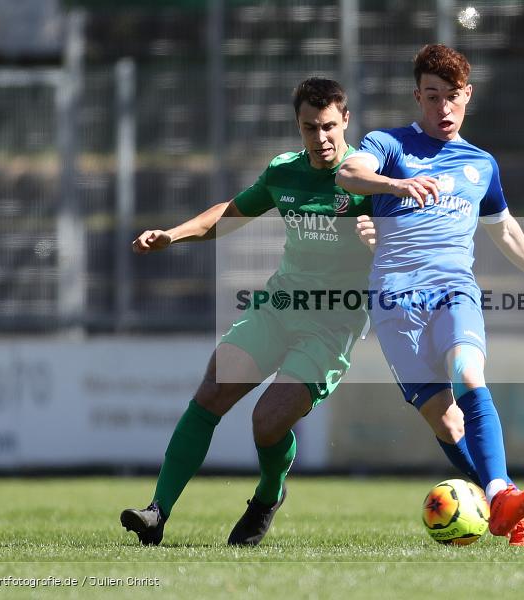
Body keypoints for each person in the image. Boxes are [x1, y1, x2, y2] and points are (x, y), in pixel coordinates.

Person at [336, 44, 524, 547]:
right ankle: (511, 511)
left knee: (468, 372)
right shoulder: (389, 144)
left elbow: (504, 229)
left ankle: (499, 494)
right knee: (443, 419)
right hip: (394, 300)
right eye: (432, 96)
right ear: (417, 96)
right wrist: (395, 185)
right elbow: (348, 174)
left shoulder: (481, 163)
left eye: (452, 96)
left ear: (468, 95)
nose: (443, 108)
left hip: (455, 288)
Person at [120, 78, 372, 546]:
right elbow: (229, 213)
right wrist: (172, 234)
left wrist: (383, 239)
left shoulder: (368, 180)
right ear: (298, 127)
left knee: (267, 421)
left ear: (347, 121)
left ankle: (268, 495)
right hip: (277, 308)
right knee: (212, 391)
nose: (321, 138)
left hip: (332, 323)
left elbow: (409, 240)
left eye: (330, 127)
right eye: (309, 128)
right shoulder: (284, 172)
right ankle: (157, 511)